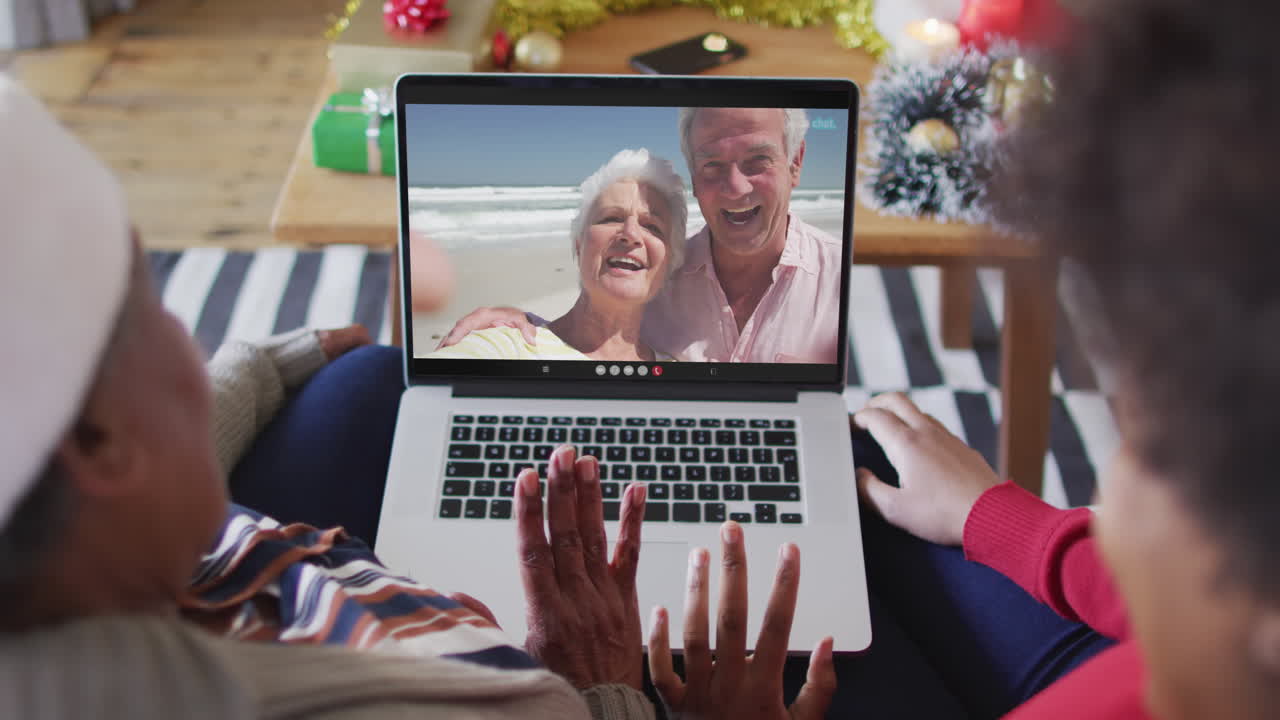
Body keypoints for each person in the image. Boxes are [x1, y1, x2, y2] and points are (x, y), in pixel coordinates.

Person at [0, 76, 838, 719]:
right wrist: (609, 690)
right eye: (149, 310)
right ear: (102, 445)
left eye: (656, 225)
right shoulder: (470, 703)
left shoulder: (108, 557)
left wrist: (253, 366)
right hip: (583, 663)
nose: (193, 339)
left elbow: (151, 441)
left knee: (371, 372)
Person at [656, 0, 1280, 718]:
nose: (1113, 490)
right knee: (857, 459)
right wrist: (997, 518)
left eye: (1160, 456)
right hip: (1125, 647)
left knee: (673, 652)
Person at [438, 106, 845, 364]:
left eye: (758, 161)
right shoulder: (655, 280)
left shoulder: (841, 280)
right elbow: (589, 332)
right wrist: (518, 323)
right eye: (712, 166)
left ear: (795, 162)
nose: (735, 188)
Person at [428, 149, 686, 362]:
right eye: (611, 218)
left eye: (652, 226)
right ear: (578, 245)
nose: (630, 234)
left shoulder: (677, 373)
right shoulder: (509, 345)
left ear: (669, 261)